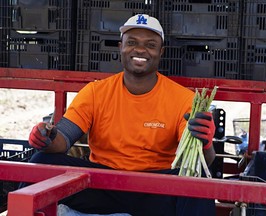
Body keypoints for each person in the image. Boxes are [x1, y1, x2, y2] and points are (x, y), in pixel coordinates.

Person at [27, 14, 216, 216]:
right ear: (120, 48)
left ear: (161, 52)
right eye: (132, 42)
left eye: (150, 45)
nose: (140, 49)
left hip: (156, 189)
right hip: (102, 185)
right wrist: (47, 137)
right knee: (41, 161)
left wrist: (204, 142)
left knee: (200, 180)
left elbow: (204, 160)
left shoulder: (183, 99)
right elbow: (64, 137)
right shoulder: (95, 92)